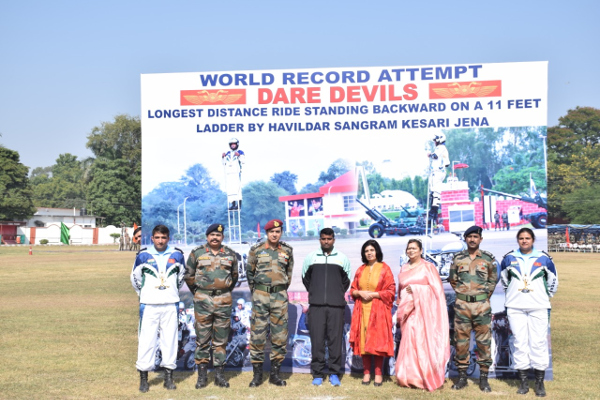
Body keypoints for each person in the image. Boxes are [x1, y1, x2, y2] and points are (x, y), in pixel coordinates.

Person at [500, 228, 558, 397]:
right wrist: (514, 296)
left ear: (533, 240)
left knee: (538, 342)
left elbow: (553, 282)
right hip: (515, 307)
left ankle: (539, 383)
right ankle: (523, 383)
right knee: (519, 342)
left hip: (538, 306)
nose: (524, 241)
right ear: (517, 240)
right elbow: (504, 282)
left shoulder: (544, 258)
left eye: (527, 238)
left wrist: (541, 297)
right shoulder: (509, 258)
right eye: (521, 238)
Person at [130, 225, 185, 393]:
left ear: (168, 239)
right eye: (157, 237)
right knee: (147, 341)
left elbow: (181, 278)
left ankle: (169, 378)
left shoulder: (177, 254)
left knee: (170, 340)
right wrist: (146, 294)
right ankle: (144, 378)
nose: (160, 240)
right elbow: (135, 279)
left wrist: (169, 293)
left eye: (164, 237)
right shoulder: (143, 255)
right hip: (149, 305)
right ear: (152, 238)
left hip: (170, 304)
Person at [184, 223, 238, 389]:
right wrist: (200, 292)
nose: (215, 238)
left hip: (223, 300)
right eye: (212, 235)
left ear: (222, 237)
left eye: (219, 235)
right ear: (207, 236)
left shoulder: (230, 254)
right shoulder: (197, 253)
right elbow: (189, 275)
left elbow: (234, 277)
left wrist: (222, 291)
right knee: (202, 340)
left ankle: (219, 376)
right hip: (202, 300)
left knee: (221, 340)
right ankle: (202, 377)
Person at [395, 239, 449, 391]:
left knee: (421, 343)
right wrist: (401, 304)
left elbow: (437, 291)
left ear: (420, 250)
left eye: (414, 248)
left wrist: (417, 289)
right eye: (408, 248)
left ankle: (422, 377)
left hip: (424, 312)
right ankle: (407, 376)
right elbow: (401, 290)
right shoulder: (404, 267)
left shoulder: (428, 267)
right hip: (407, 311)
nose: (411, 251)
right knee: (408, 343)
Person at [449, 225, 498, 392]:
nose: (472, 239)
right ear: (465, 239)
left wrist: (482, 297)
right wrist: (465, 296)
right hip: (462, 306)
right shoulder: (457, 258)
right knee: (461, 342)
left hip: (481, 306)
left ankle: (483, 379)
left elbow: (492, 280)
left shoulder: (488, 258)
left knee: (483, 342)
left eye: (475, 237)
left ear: (480, 239)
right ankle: (462, 377)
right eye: (469, 237)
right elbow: (453, 280)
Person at [247, 219, 294, 387]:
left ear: (281, 233)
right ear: (267, 233)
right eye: (272, 232)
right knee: (258, 335)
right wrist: (259, 290)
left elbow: (288, 274)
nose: (275, 234)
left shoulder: (287, 250)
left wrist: (278, 289)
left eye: (278, 231)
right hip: (260, 295)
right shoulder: (256, 250)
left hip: (279, 296)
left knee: (279, 336)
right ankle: (257, 376)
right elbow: (250, 274)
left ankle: (275, 374)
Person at [302, 228, 351, 387]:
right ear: (320, 240)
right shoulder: (311, 258)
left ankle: (334, 373)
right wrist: (317, 293)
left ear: (334, 240)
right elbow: (306, 279)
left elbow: (346, 281)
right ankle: (317, 373)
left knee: (335, 341)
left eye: (329, 239)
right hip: (316, 307)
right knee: (317, 342)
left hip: (336, 307)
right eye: (323, 239)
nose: (326, 241)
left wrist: (333, 294)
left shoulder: (342, 258)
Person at [349, 240, 395, 387]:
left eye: (372, 250)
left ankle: (379, 374)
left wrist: (374, 295)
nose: (369, 253)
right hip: (362, 310)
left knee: (377, 342)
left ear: (377, 251)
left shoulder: (385, 269)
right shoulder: (360, 270)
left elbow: (391, 291)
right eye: (366, 250)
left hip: (379, 311)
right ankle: (366, 373)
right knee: (363, 342)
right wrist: (359, 292)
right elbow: (352, 290)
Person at [427, 133, 450, 222]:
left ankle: (433, 211)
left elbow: (435, 156)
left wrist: (429, 154)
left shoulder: (440, 148)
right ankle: (434, 211)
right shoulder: (443, 149)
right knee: (434, 192)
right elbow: (447, 163)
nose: (434, 142)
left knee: (435, 192)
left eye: (435, 140)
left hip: (437, 172)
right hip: (439, 172)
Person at [222, 138, 245, 210]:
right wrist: (223, 157)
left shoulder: (240, 152)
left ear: (237, 145)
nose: (233, 146)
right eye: (231, 145)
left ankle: (239, 205)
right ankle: (233, 204)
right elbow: (224, 163)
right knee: (230, 189)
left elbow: (243, 161)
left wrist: (239, 156)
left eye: (234, 144)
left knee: (237, 188)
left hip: (236, 173)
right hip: (229, 174)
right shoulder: (228, 153)